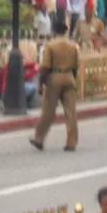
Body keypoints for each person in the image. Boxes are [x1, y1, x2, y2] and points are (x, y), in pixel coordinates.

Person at [31, 18, 80, 151]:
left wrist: (41, 84)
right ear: (65, 32)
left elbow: (45, 67)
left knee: (48, 110)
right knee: (71, 112)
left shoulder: (50, 46)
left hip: (55, 77)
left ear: (53, 31)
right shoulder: (73, 45)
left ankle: (39, 138)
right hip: (69, 76)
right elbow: (76, 66)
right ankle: (71, 142)